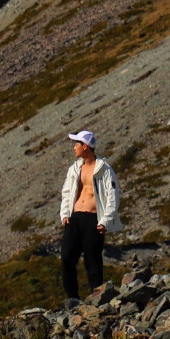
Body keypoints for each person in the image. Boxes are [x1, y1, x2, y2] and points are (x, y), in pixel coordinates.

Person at [59, 129, 121, 301]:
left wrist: (105, 221)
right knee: (66, 257)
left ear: (85, 146)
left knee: (92, 260)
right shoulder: (75, 169)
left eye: (76, 144)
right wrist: (65, 214)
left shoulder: (105, 170)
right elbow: (67, 192)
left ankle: (97, 297)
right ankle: (72, 298)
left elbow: (112, 197)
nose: (74, 148)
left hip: (94, 219)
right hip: (75, 218)